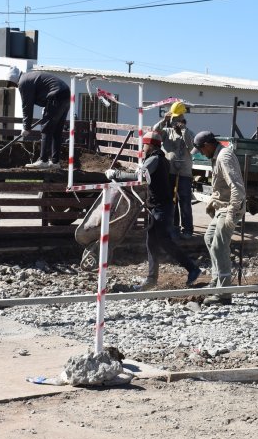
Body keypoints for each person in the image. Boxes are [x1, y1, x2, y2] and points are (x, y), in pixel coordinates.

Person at [105, 131, 201, 289]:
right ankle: (152, 279)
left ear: (150, 145)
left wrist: (116, 173)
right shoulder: (159, 159)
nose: (142, 148)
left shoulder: (154, 159)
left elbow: (139, 176)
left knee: (164, 242)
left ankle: (191, 268)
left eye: (144, 145)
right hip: (161, 207)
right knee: (153, 243)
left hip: (161, 209)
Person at [192, 130, 245, 305]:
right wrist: (212, 201)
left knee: (219, 246)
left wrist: (232, 211)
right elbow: (220, 186)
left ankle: (224, 293)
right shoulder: (217, 156)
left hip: (230, 207)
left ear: (208, 145)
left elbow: (237, 186)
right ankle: (217, 280)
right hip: (222, 205)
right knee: (209, 238)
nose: (201, 153)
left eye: (201, 150)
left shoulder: (224, 157)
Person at [5, 67, 71, 168]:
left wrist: (26, 127)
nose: (14, 86)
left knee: (46, 130)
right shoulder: (29, 77)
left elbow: (27, 106)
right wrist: (47, 106)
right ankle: (55, 162)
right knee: (56, 132)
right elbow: (45, 89)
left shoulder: (23, 82)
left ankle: (43, 161)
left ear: (13, 79)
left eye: (12, 84)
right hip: (65, 95)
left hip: (56, 96)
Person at [153, 106, 195, 239]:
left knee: (185, 202)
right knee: (171, 202)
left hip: (184, 174)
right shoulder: (166, 132)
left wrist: (183, 131)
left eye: (179, 119)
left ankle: (187, 230)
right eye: (174, 119)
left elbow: (192, 147)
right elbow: (154, 132)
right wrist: (163, 121)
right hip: (169, 172)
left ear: (183, 120)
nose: (176, 122)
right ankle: (174, 227)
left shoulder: (188, 133)